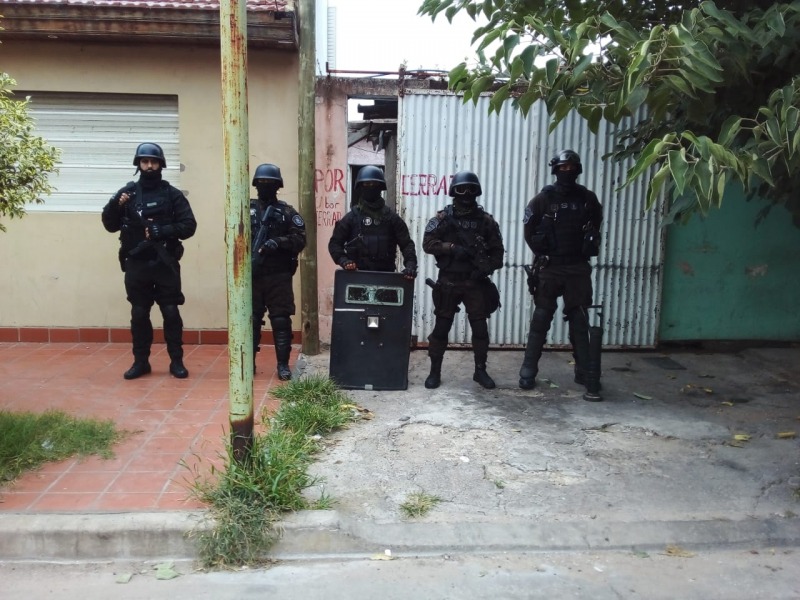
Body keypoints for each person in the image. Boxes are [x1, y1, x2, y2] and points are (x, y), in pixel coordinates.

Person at [102, 142, 197, 380]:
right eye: (145, 162)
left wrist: (162, 231)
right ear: (138, 165)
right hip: (137, 264)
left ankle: (176, 361)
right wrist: (116, 205)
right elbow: (110, 225)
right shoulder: (128, 193)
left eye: (154, 162)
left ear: (161, 164)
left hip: (165, 263)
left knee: (171, 312)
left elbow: (189, 226)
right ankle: (140, 362)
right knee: (139, 313)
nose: (149, 166)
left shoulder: (172, 194)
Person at [519, 149, 603, 394]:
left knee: (579, 320)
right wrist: (542, 255)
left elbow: (595, 227)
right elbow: (529, 232)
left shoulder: (588, 199)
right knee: (541, 318)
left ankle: (585, 372)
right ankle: (528, 370)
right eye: (562, 168)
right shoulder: (542, 200)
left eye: (571, 168)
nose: (567, 172)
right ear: (555, 169)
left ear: (578, 170)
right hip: (550, 267)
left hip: (577, 267)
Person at [422, 170, 505, 390]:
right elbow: (427, 244)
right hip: (449, 281)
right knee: (441, 328)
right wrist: (451, 248)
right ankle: (434, 372)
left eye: (470, 189)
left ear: (477, 191)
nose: (466, 193)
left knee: (480, 329)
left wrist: (483, 269)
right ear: (453, 192)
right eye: (461, 189)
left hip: (474, 283)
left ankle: (480, 370)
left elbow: (498, 255)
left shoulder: (486, 222)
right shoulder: (443, 218)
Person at [250, 163, 306, 380]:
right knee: (252, 320)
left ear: (278, 186)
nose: (266, 187)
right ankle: (249, 363)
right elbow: (233, 236)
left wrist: (279, 242)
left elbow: (301, 239)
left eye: (270, 183)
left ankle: (283, 365)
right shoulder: (246, 209)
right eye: (262, 183)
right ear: (256, 185)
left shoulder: (287, 212)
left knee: (281, 320)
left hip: (279, 275)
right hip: (253, 275)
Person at [328, 165, 417, 279]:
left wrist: (410, 266)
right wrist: (344, 261)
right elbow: (335, 244)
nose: (370, 187)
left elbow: (407, 245)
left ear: (380, 187)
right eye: (366, 184)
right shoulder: (351, 218)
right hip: (357, 278)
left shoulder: (391, 218)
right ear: (360, 187)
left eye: (374, 185)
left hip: (385, 279)